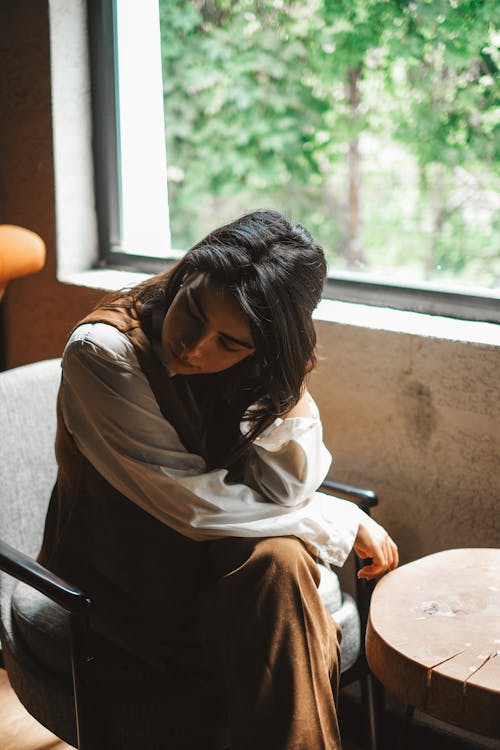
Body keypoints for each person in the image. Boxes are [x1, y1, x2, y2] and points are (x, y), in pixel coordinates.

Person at [39, 210, 398, 749]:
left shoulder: (258, 364)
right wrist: (335, 517)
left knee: (281, 566)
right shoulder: (102, 352)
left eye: (230, 344)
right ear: (185, 276)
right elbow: (190, 504)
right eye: (192, 310)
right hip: (121, 579)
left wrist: (287, 378)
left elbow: (285, 491)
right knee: (292, 604)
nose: (194, 346)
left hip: (225, 577)